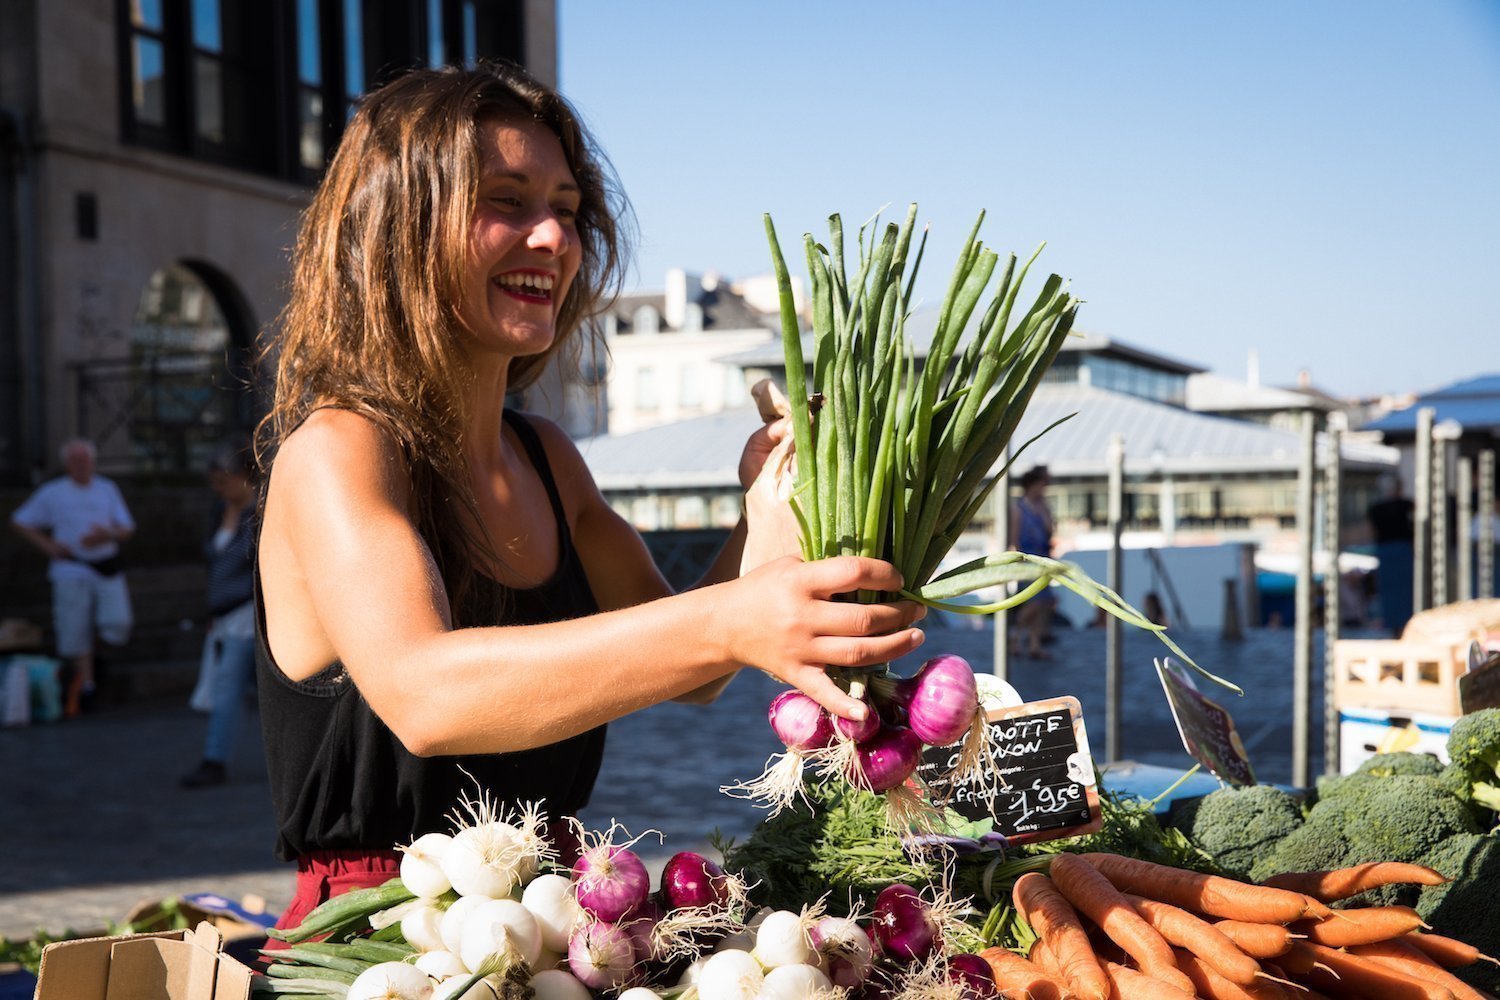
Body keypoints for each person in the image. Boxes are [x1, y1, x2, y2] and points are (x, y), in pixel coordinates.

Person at [254, 61, 924, 941]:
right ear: (397, 229)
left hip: (565, 930)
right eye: (507, 200)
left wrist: (770, 505)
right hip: (378, 948)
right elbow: (425, 696)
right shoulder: (338, 451)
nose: (553, 239)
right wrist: (729, 622)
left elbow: (695, 663)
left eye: (567, 210)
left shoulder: (547, 456)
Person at [10, 438, 135, 716]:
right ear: (67, 464)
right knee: (74, 631)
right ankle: (86, 685)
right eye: (75, 460)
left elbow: (126, 528)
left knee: (118, 623)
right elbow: (20, 520)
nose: (81, 465)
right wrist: (49, 546)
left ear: (93, 462)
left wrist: (107, 534)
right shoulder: (53, 492)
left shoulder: (106, 488)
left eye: (85, 459)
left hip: (106, 565)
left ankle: (95, 655)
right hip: (71, 567)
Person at [180, 441, 260, 788]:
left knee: (229, 686)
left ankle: (214, 760)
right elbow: (215, 564)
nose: (220, 488)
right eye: (215, 482)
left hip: (250, 615)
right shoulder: (220, 510)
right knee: (229, 688)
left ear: (244, 477)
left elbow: (248, 564)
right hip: (226, 615)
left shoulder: (259, 514)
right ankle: (214, 759)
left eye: (224, 481)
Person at [1009, 465, 1056, 658]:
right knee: (1032, 602)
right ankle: (1015, 636)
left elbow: (1049, 531)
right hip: (1027, 558)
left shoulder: (1041, 507)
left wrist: (1044, 510)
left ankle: (1034, 643)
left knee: (1042, 602)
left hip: (1042, 557)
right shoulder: (1019, 509)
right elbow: (1014, 537)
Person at [1367, 472, 1415, 636]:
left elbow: (1372, 532)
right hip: (1401, 552)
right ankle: (1404, 627)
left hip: (1387, 552)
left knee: (1392, 594)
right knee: (1404, 593)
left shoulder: (1375, 509)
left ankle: (1397, 627)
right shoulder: (1406, 505)